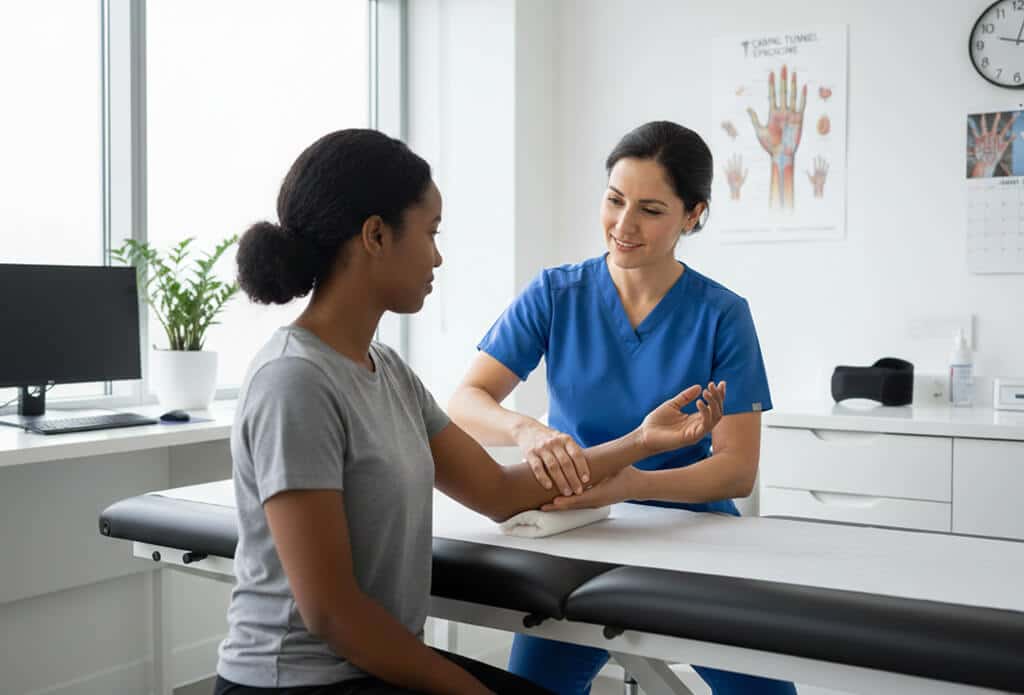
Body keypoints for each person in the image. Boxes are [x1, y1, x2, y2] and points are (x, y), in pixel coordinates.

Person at [215, 128, 727, 695]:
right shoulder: (295, 382)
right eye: (431, 233)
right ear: (376, 236)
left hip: (369, 663)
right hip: (299, 681)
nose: (438, 255)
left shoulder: (387, 371)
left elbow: (500, 491)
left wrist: (640, 443)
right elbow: (333, 617)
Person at [448, 121, 797, 695]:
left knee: (761, 692)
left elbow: (736, 470)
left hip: (694, 532)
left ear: (693, 215)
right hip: (580, 527)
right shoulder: (556, 293)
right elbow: (466, 399)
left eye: (651, 210)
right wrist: (528, 431)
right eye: (614, 200)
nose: (623, 225)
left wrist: (630, 483)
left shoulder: (722, 314)